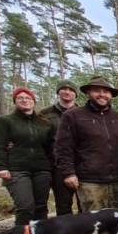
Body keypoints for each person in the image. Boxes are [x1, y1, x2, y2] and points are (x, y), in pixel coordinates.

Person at [55, 76, 118, 211]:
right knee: (95, 224)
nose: (102, 94)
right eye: (96, 91)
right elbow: (63, 147)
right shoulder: (73, 116)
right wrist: (68, 173)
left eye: (106, 91)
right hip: (90, 181)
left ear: (111, 95)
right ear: (88, 93)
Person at [0, 87, 54, 225]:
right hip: (17, 169)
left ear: (33, 101)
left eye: (28, 98)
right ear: (15, 101)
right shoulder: (5, 121)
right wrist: (1, 167)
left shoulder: (44, 123)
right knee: (25, 206)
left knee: (41, 207)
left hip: (42, 169)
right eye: (20, 98)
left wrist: (51, 165)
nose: (25, 100)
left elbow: (50, 147)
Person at [40, 80, 80, 216]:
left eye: (71, 90)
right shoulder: (45, 114)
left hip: (83, 163)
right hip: (58, 165)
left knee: (85, 203)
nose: (67, 92)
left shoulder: (83, 112)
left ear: (75, 94)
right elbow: (34, 135)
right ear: (58, 92)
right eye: (63, 89)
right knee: (63, 205)